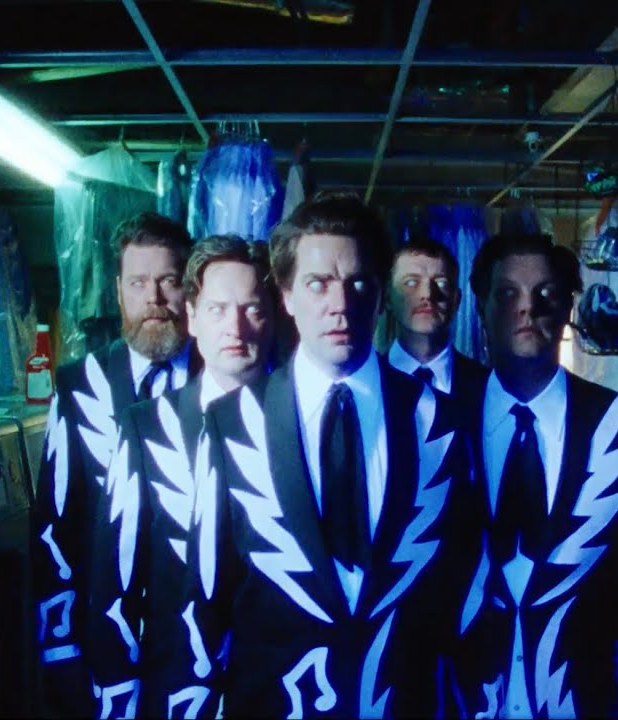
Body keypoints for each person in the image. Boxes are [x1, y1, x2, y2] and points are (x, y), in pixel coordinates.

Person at [163, 192, 482, 717]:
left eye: (358, 283)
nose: (340, 304)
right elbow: (204, 600)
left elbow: (465, 589)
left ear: (380, 295)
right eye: (318, 283)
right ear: (286, 295)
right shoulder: (232, 425)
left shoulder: (439, 423)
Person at [456, 233, 618, 720]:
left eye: (545, 293)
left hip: (592, 696)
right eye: (508, 293)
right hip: (462, 699)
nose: (528, 308)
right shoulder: (438, 427)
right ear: (481, 308)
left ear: (568, 307)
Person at [31, 212, 198, 716]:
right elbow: (55, 523)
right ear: (119, 292)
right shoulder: (79, 386)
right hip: (104, 642)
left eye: (169, 281)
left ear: (189, 290)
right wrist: (58, 648)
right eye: (138, 283)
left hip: (201, 649)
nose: (154, 298)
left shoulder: (224, 381)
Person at [107, 235, 276, 718]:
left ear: (274, 316)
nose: (235, 328)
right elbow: (116, 579)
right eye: (218, 310)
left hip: (275, 690)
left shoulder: (305, 425)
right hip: (174, 688)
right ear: (193, 317)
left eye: (251, 309)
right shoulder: (144, 427)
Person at [384, 235, 489, 412]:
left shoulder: (487, 387)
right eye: (411, 282)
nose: (427, 294)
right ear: (388, 297)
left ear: (456, 300)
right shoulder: (365, 382)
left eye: (441, 283)